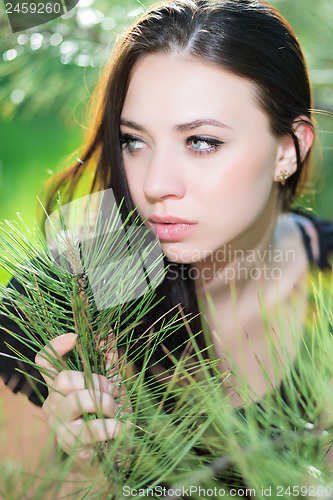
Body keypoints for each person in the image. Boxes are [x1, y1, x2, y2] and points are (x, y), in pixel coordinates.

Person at [1, 0, 333, 488]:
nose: (156, 183)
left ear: (289, 149)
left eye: (201, 141)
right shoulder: (59, 304)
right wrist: (82, 470)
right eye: (135, 141)